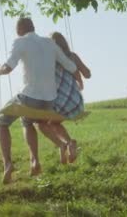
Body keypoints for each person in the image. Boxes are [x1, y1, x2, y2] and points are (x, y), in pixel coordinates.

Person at [0, 18, 77, 184]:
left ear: (19, 30)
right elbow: (71, 67)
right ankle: (35, 161)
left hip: (29, 97)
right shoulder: (49, 43)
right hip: (49, 101)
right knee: (28, 122)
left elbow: (8, 67)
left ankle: (8, 164)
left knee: (2, 121)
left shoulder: (20, 42)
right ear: (33, 27)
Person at [37, 32, 91, 164]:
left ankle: (65, 144)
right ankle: (66, 147)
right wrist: (79, 77)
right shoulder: (73, 56)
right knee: (54, 123)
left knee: (41, 124)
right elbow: (88, 74)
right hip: (77, 103)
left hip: (61, 103)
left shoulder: (48, 60)